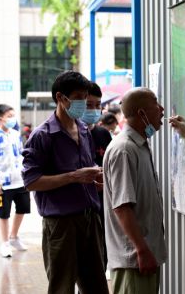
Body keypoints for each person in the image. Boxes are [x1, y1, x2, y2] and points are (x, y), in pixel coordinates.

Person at [22, 71, 109, 294]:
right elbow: (31, 181)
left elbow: (85, 173)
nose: (83, 103)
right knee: (62, 287)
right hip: (61, 224)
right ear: (61, 98)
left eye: (85, 97)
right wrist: (74, 176)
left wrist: (94, 182)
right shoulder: (43, 136)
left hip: (90, 218)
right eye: (79, 97)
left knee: (97, 285)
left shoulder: (83, 130)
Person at [103, 87, 167, 294]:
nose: (162, 109)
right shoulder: (124, 149)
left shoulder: (139, 145)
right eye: (156, 104)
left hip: (144, 255)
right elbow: (122, 207)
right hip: (134, 258)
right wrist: (141, 249)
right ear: (141, 113)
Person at [0, 104, 30, 258]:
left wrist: (26, 174)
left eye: (14, 115)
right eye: (9, 116)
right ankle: (5, 243)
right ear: (1, 119)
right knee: (4, 214)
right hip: (3, 184)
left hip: (20, 180)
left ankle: (13, 237)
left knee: (23, 208)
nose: (13, 119)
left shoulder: (15, 134)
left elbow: (21, 155)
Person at [80, 81, 112, 267]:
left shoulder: (103, 134)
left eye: (97, 105)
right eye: (88, 105)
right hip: (80, 207)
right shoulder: (71, 135)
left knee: (102, 253)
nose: (94, 110)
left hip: (103, 203)